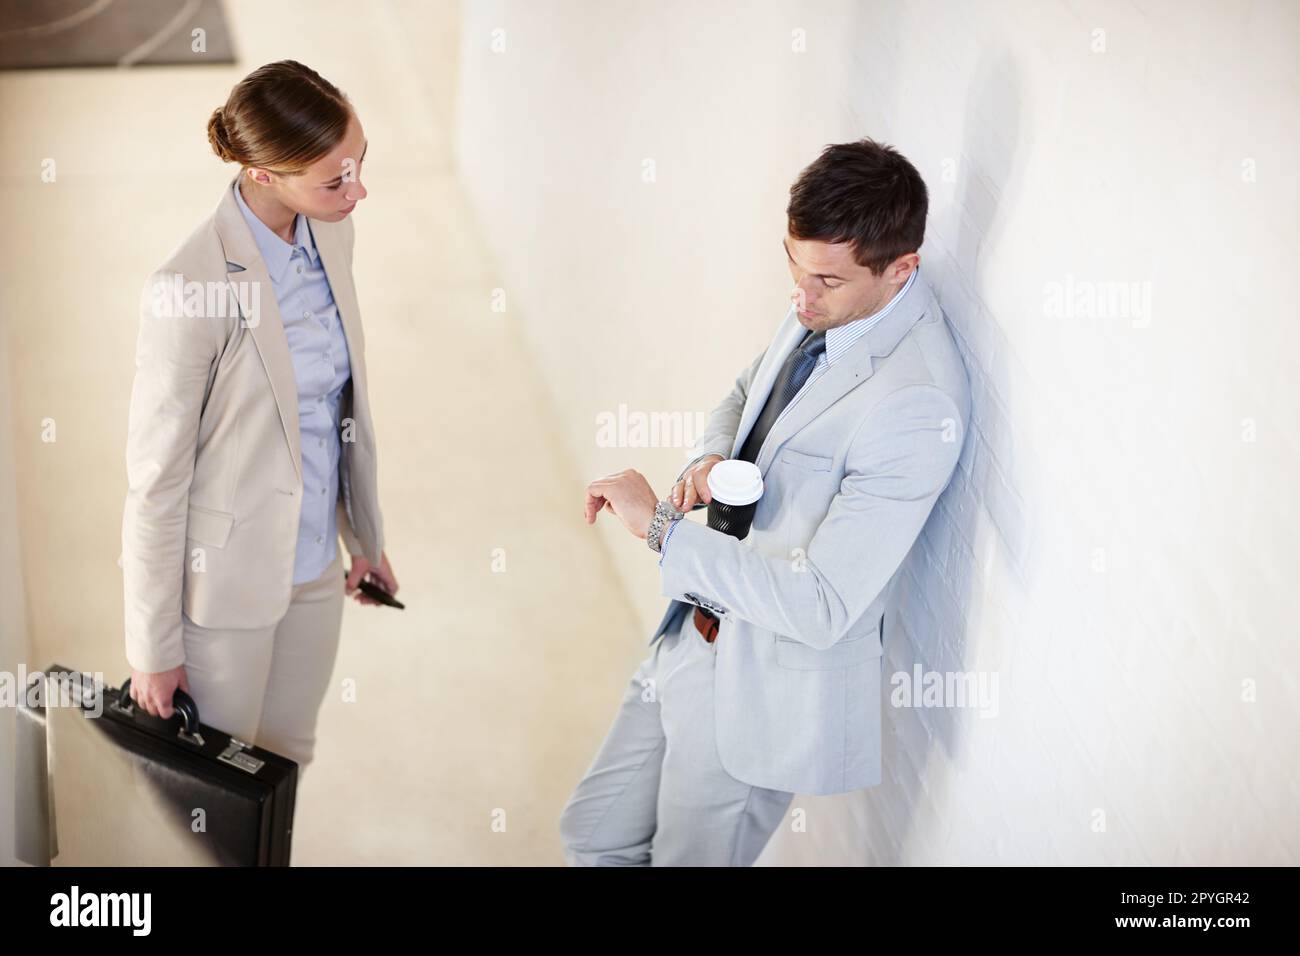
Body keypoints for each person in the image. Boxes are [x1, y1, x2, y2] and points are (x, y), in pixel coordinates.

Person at [563, 138, 971, 865]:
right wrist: (708, 457)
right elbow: (747, 390)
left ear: (902, 267)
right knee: (593, 836)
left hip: (759, 696)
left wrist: (660, 528)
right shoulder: (827, 305)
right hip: (691, 630)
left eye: (824, 280)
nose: (800, 297)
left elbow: (821, 606)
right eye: (793, 265)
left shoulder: (917, 404)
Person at [121, 60, 397, 780]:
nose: (357, 191)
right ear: (261, 173)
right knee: (213, 784)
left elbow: (340, 408)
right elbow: (155, 482)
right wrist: (153, 649)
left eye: (358, 166)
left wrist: (363, 538)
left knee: (286, 759)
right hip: (227, 586)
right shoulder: (189, 287)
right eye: (334, 180)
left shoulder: (331, 233)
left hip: (315, 567)